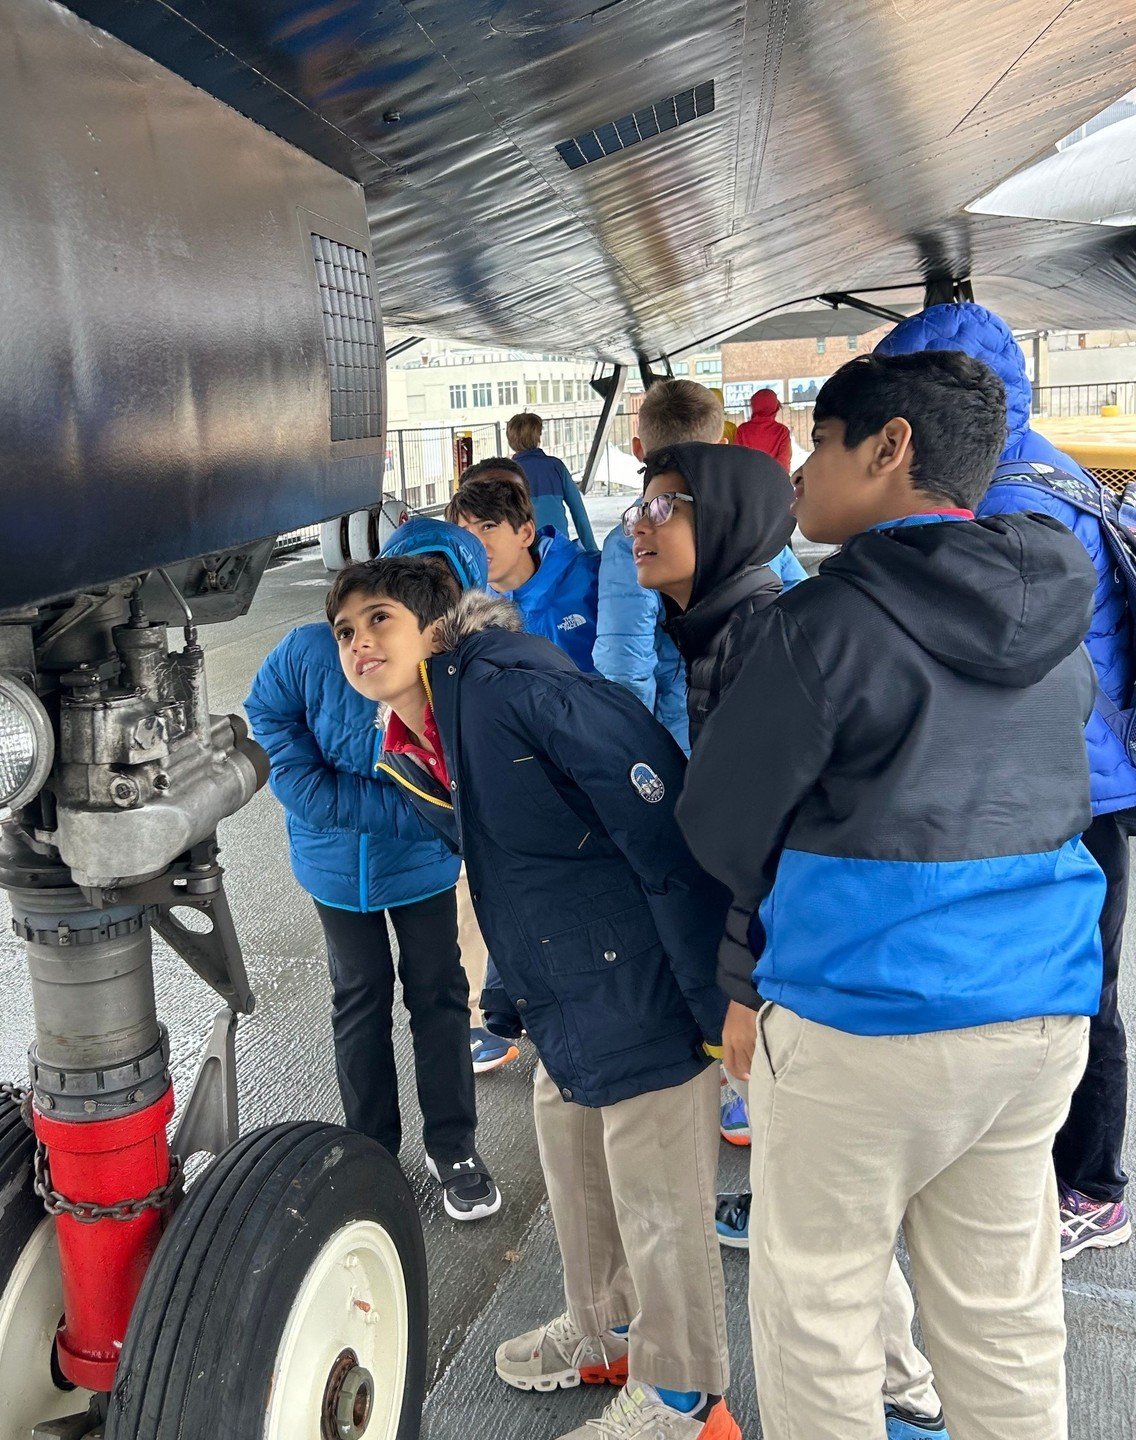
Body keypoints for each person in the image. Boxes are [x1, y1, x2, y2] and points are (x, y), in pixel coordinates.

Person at [678, 350, 1104, 1440]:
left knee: (820, 1311)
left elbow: (720, 824)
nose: (802, 473)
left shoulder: (823, 623)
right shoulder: (1056, 619)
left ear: (890, 447)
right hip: (1041, 1009)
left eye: (820, 441)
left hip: (863, 1018)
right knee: (1004, 1314)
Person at [328, 556, 740, 1440]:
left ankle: (685, 1400)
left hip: (641, 987)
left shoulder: (515, 691)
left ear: (435, 628)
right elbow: (507, 867)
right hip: (564, 992)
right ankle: (606, 1331)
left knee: (661, 1203)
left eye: (379, 620)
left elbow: (665, 824)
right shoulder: (416, 738)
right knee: (581, 1175)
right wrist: (509, 986)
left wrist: (716, 997)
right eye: (345, 631)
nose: (360, 643)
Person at [876, 301, 1136, 1257]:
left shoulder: (1005, 503)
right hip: (1088, 777)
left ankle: (1094, 1184)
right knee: (1069, 981)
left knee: (1080, 987)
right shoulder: (1049, 470)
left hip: (1072, 784)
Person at [244, 518, 503, 1222]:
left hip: (420, 869)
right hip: (334, 873)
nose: (372, 631)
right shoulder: (310, 650)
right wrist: (313, 789)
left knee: (439, 996)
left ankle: (453, 1146)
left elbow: (462, 786)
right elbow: (265, 711)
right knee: (357, 999)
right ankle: (371, 1152)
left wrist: (363, 806)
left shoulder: (467, 673)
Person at [596, 381, 806, 754]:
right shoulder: (750, 524)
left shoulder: (626, 544)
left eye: (664, 509)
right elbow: (799, 595)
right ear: (722, 449)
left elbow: (626, 660)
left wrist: (633, 758)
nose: (642, 526)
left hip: (680, 737)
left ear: (638, 450)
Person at [382, 518, 519, 1075]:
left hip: (497, 820)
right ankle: (478, 1018)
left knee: (496, 899)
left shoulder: (492, 659)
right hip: (441, 832)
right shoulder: (373, 662)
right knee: (470, 903)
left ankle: (500, 1008)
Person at [445, 463, 603, 672]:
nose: (476, 545)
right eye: (465, 533)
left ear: (526, 533)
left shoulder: (594, 576)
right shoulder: (465, 612)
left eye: (488, 526)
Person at [505, 411, 598, 552]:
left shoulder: (506, 473)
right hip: (558, 547)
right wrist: (592, 550)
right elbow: (579, 512)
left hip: (523, 551)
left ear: (511, 439)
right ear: (538, 437)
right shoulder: (556, 466)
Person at [734, 387, 793, 471]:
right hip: (774, 480)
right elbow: (784, 462)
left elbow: (737, 459)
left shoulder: (742, 430)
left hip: (747, 479)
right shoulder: (782, 431)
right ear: (775, 407)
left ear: (754, 406)